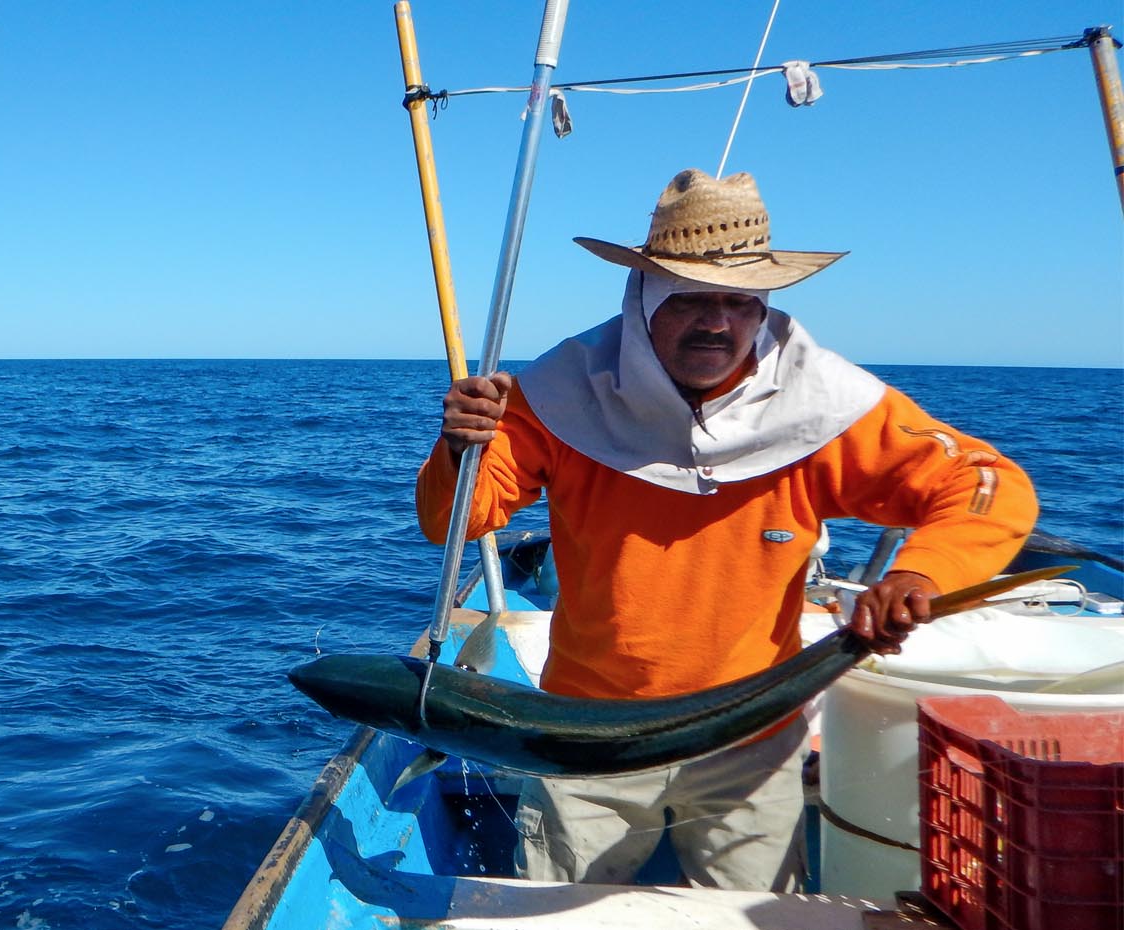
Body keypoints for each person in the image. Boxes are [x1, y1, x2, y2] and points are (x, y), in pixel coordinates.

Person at [415, 168, 1038, 891]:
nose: (718, 322)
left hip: (751, 732)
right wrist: (461, 447)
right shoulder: (561, 390)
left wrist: (920, 572)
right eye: (691, 300)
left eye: (739, 303)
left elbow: (988, 483)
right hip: (583, 732)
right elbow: (455, 520)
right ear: (644, 299)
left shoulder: (825, 404)